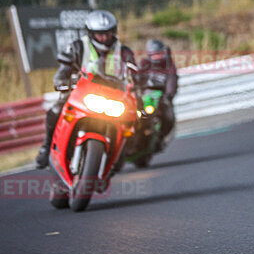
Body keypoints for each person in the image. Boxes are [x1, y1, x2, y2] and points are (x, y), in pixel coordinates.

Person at [35, 10, 136, 169]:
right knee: (55, 111)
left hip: (113, 97)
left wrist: (137, 93)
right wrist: (61, 81)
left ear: (113, 32)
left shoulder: (125, 52)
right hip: (82, 93)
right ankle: (46, 147)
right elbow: (64, 69)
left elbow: (135, 76)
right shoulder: (77, 47)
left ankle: (118, 156)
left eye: (107, 33)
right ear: (91, 33)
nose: (104, 37)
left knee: (130, 122)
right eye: (99, 34)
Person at [137, 39, 178, 144]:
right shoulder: (143, 64)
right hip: (144, 96)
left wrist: (169, 95)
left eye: (159, 54)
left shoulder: (169, 65)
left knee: (167, 114)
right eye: (155, 55)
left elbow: (172, 81)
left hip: (161, 97)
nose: (157, 57)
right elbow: (136, 78)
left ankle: (161, 135)